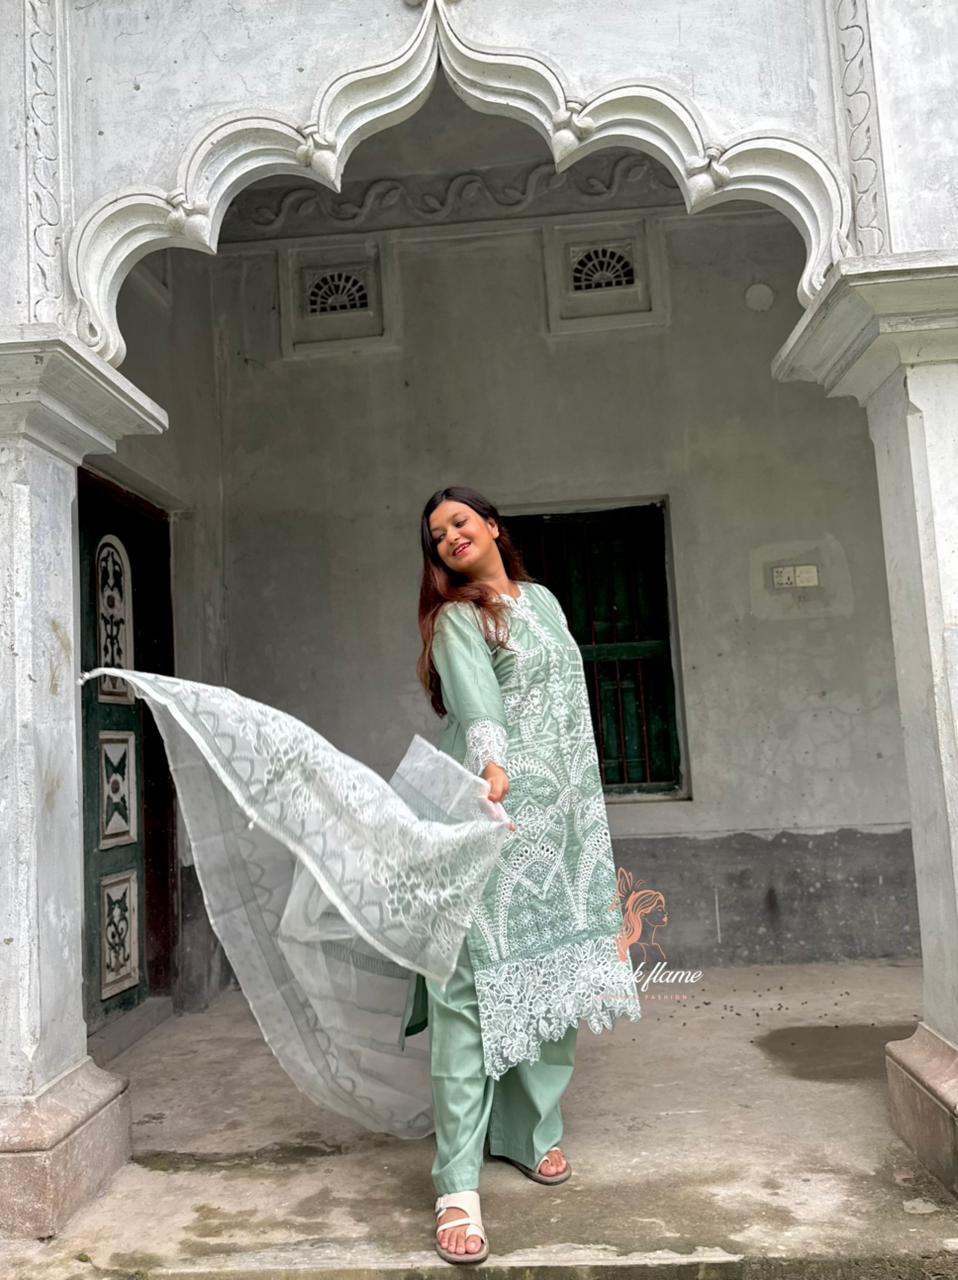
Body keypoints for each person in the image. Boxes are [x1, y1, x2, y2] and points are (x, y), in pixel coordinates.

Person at [415, 486, 642, 1264]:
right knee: (467, 995)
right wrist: (492, 768)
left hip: (563, 822)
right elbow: (478, 704)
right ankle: (456, 1186)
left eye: (460, 522)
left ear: (491, 527)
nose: (449, 537)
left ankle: (528, 1132)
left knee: (551, 979)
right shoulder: (457, 618)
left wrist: (575, 805)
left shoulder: (542, 602)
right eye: (436, 534)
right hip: (489, 810)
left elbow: (570, 703)